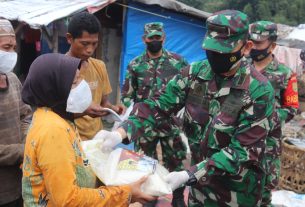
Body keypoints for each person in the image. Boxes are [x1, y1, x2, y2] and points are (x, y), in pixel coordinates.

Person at [95, 10, 275, 206]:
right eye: (211, 49)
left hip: (237, 194)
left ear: (246, 47)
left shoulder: (259, 91)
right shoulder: (195, 74)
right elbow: (158, 105)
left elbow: (241, 153)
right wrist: (121, 132)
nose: (215, 56)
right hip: (199, 190)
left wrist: (188, 174)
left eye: (223, 51)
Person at [21, 53, 156, 206]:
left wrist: (93, 148)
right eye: (74, 82)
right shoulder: (53, 130)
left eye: (80, 78)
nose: (82, 85)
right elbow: (68, 200)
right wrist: (125, 193)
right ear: (54, 89)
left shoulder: (53, 116)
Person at [121, 22, 188, 207]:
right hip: (145, 126)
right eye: (151, 38)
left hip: (171, 123)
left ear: (164, 38)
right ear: (144, 39)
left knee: (175, 161)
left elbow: (188, 89)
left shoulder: (178, 62)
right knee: (144, 163)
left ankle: (177, 197)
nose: (155, 41)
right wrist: (131, 112)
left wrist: (184, 110)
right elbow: (127, 95)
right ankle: (149, 198)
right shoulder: (135, 65)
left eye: (158, 37)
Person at [249, 21, 299, 206]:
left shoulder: (285, 74)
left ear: (273, 45)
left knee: (263, 193)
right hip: (238, 142)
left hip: (267, 145)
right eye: (252, 42)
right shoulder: (240, 69)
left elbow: (292, 108)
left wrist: (266, 119)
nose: (254, 47)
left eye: (259, 43)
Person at [66, 12, 125, 140]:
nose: (90, 50)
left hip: (96, 138)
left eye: (94, 44)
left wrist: (115, 109)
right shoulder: (58, 70)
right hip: (70, 140)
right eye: (85, 43)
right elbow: (53, 114)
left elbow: (104, 103)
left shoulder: (99, 66)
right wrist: (84, 111)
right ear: (69, 38)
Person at [0, 19, 32, 207]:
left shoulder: (13, 80)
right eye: (6, 47)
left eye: (13, 47)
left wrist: (28, 140)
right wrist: (23, 151)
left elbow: (25, 115)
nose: (11, 53)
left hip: (18, 183)